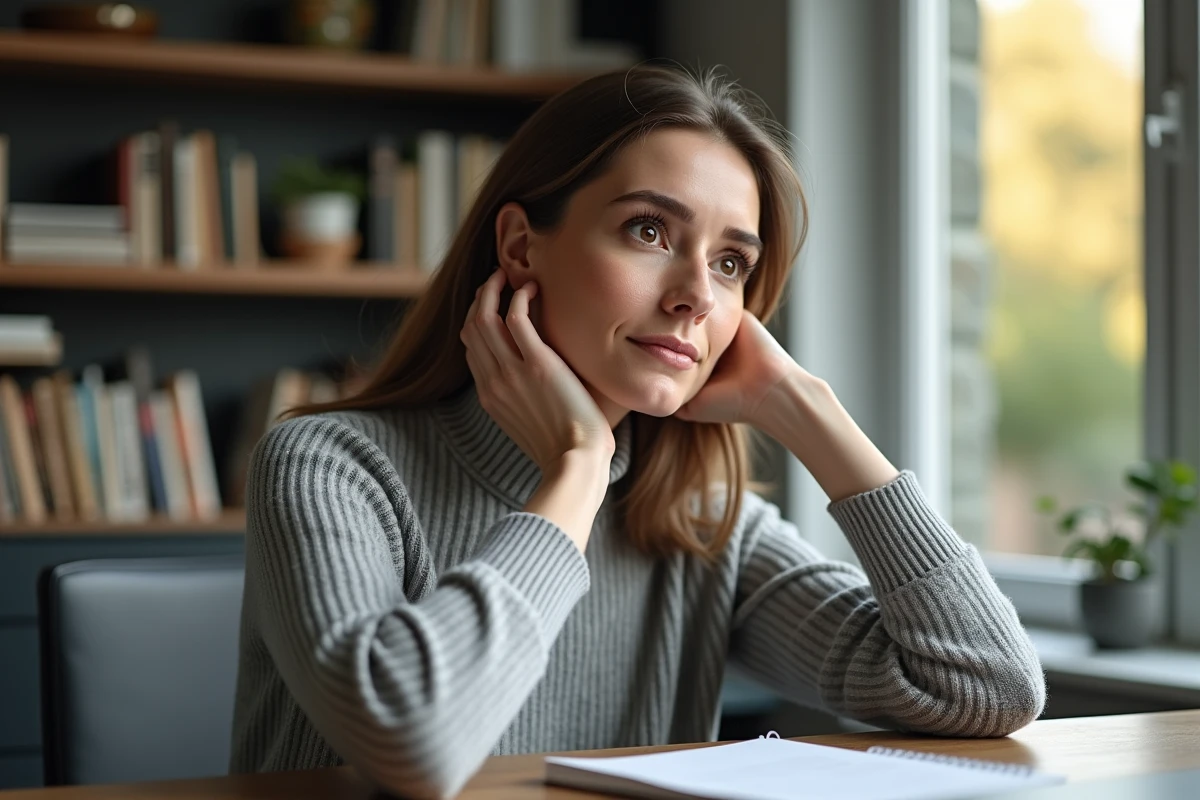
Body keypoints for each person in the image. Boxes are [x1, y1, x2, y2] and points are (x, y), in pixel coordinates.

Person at [229, 65, 1046, 800]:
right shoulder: (330, 466)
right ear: (520, 247)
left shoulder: (697, 519)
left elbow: (989, 687)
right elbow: (411, 745)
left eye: (731, 263)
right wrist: (578, 468)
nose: (697, 293)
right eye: (650, 231)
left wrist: (808, 411)